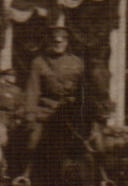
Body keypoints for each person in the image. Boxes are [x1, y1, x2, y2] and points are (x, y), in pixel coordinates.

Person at [17, 26, 85, 175]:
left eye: (62, 41)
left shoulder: (77, 62)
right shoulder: (39, 62)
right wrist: (30, 113)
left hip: (71, 111)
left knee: (95, 143)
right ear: (49, 42)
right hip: (46, 110)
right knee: (33, 139)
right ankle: (25, 176)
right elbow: (33, 89)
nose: (58, 44)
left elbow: (84, 89)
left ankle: (104, 178)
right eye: (55, 41)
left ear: (67, 42)